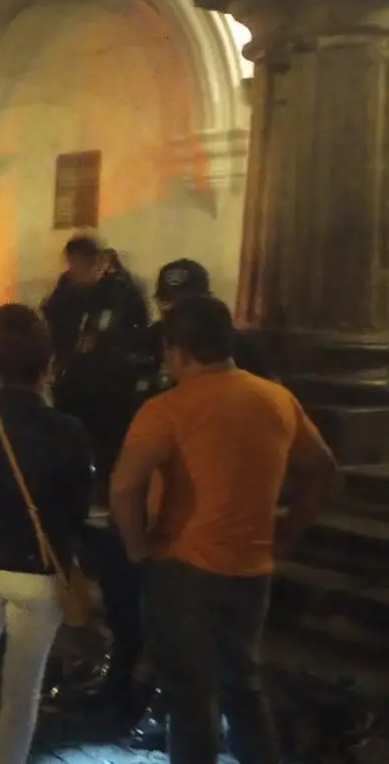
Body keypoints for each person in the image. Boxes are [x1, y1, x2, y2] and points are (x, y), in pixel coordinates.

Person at [110, 295, 337, 764]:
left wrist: (138, 548)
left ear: (180, 352)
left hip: (182, 567)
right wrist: (290, 532)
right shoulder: (276, 399)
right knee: (243, 688)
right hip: (252, 569)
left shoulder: (166, 410)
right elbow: (322, 469)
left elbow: (124, 488)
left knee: (190, 700)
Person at [0, 304, 94, 764]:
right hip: (37, 569)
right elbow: (77, 507)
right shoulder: (67, 432)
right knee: (22, 688)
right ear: (48, 369)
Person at [42, 235, 150, 715]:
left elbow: (132, 341)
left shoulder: (122, 293)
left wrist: (101, 347)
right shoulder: (66, 291)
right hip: (73, 398)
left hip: (110, 402)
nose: (78, 270)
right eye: (73, 264)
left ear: (100, 262)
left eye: (83, 264)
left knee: (103, 467)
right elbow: (52, 324)